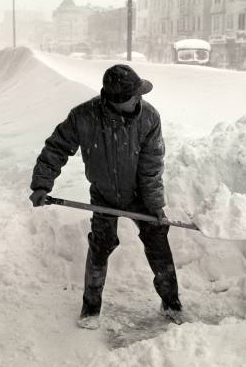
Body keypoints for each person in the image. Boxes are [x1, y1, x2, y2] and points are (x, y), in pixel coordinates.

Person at [29, 64, 182, 329]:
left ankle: (171, 303)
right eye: (135, 95)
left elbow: (151, 166)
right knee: (101, 246)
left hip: (140, 195)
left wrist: (155, 205)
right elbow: (57, 147)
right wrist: (42, 184)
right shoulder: (84, 117)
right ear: (117, 100)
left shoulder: (148, 117)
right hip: (103, 194)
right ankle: (90, 309)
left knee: (158, 241)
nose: (140, 98)